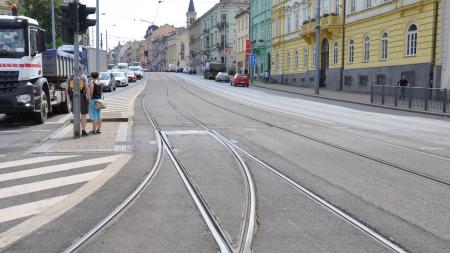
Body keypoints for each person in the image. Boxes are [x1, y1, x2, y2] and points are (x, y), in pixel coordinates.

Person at [69, 65, 89, 136]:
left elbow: (67, 90)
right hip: (83, 98)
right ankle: (83, 131)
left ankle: (76, 130)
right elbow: (86, 88)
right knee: (83, 115)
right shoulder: (83, 77)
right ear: (81, 70)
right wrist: (88, 98)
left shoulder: (71, 77)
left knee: (76, 115)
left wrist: (70, 99)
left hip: (74, 98)